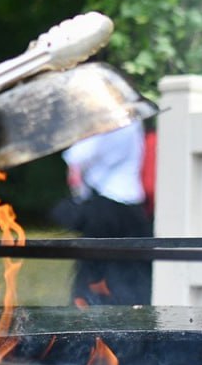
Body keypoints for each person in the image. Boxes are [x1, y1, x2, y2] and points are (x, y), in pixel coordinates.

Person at [53, 121, 155, 306]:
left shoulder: (106, 121)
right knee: (134, 277)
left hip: (106, 206)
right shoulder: (132, 121)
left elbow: (77, 157)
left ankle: (89, 325)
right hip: (132, 206)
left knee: (92, 278)